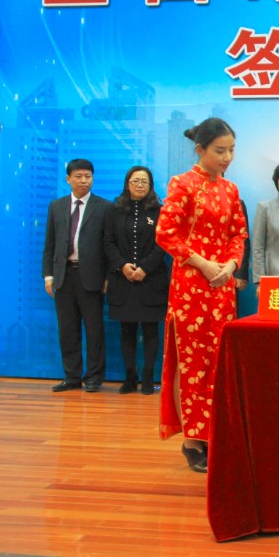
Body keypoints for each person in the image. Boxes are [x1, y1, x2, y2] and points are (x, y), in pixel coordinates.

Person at [156, 117, 247, 472]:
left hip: (221, 286)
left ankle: (215, 434)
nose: (227, 157)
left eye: (231, 150)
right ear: (200, 150)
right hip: (191, 284)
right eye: (220, 151)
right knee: (192, 361)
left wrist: (231, 265)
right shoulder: (182, 184)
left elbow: (238, 234)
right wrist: (203, 263)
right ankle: (192, 440)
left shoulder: (231, 190)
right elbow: (165, 233)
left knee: (218, 359)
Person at [42, 158, 112, 393]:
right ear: (68, 179)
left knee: (94, 330)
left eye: (88, 176)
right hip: (63, 276)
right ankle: (71, 376)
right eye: (79, 176)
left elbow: (108, 245)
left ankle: (93, 377)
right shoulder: (56, 206)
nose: (84, 181)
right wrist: (48, 276)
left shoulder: (104, 207)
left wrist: (107, 277)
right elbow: (49, 245)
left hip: (91, 276)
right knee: (67, 330)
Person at [103, 166, 169, 396]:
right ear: (127, 183)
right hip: (123, 280)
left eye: (144, 182)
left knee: (151, 330)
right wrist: (122, 265)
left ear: (150, 186)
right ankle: (130, 377)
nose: (140, 185)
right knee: (127, 330)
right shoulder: (115, 210)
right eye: (135, 181)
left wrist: (145, 268)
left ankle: (148, 377)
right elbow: (108, 242)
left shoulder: (160, 211)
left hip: (151, 280)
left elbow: (163, 244)